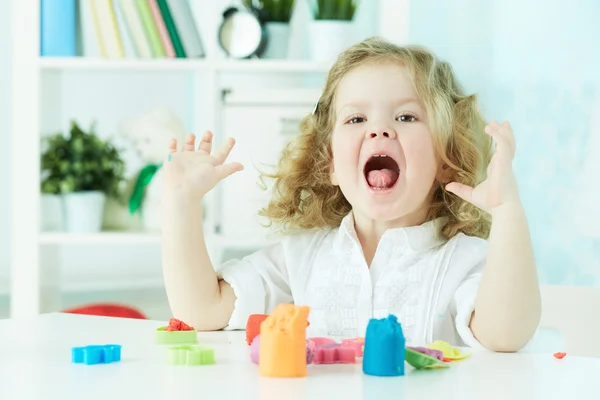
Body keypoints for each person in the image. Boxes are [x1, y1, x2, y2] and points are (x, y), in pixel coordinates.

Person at [161, 37, 541, 351]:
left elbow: (505, 335)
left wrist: (508, 213)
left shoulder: (466, 261)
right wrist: (181, 203)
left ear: (445, 159)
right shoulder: (300, 257)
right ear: (330, 162)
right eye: (356, 119)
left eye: (406, 117)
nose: (379, 130)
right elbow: (203, 311)